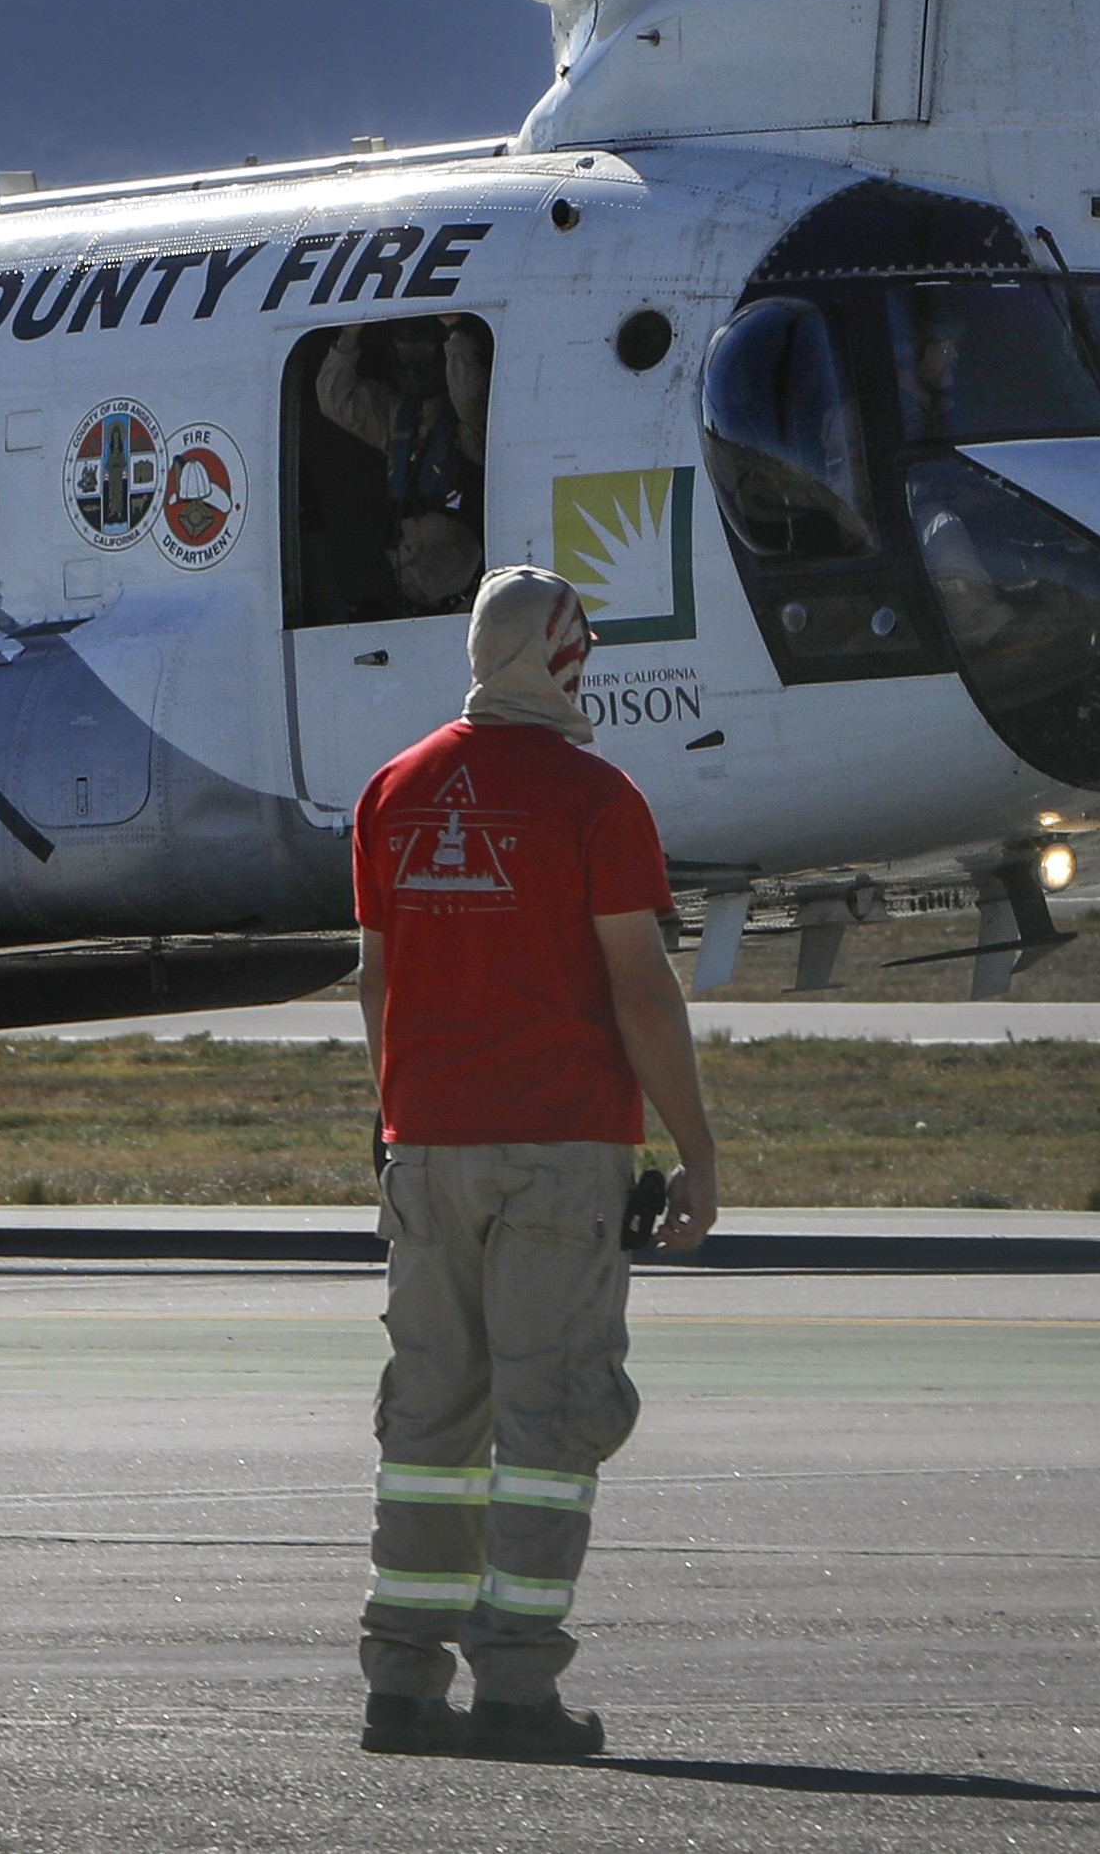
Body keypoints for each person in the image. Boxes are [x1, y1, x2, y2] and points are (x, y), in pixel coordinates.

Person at [348, 565, 720, 1764]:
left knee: (430, 1420)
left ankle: (401, 1683)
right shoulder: (596, 800)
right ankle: (517, 1686)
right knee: (548, 1423)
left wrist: (394, 1112)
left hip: (428, 1151)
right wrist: (698, 1151)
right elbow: (640, 988)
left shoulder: (391, 795)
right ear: (560, 661)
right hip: (559, 1152)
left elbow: (378, 977)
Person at [312, 318, 491, 612]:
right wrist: (350, 334)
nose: (412, 367)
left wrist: (456, 332)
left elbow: (470, 395)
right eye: (404, 354)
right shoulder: (398, 419)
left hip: (467, 599)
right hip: (413, 596)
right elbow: (335, 399)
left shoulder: (468, 428)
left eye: (421, 353)